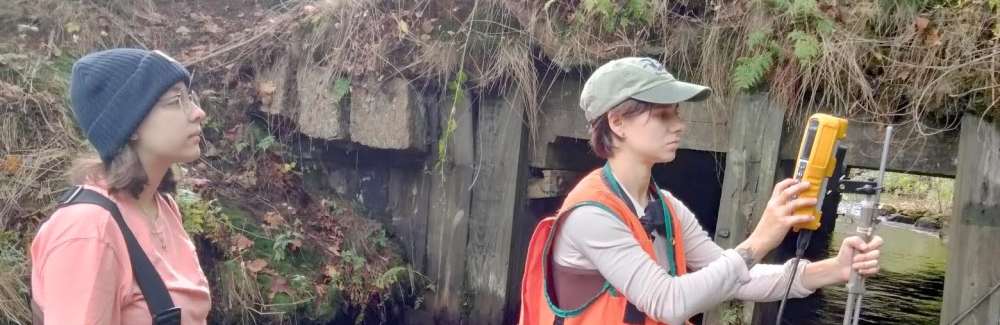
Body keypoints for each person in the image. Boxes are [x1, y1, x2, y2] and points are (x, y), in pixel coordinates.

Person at [518, 57, 884, 325]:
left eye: (676, 113)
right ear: (617, 123)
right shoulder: (591, 216)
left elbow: (738, 278)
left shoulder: (665, 207)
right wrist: (759, 240)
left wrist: (833, 269)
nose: (679, 125)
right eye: (663, 115)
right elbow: (668, 302)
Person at [30, 48, 212, 324]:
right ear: (131, 123)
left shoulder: (161, 205)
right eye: (176, 100)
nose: (198, 113)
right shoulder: (88, 231)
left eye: (191, 98)